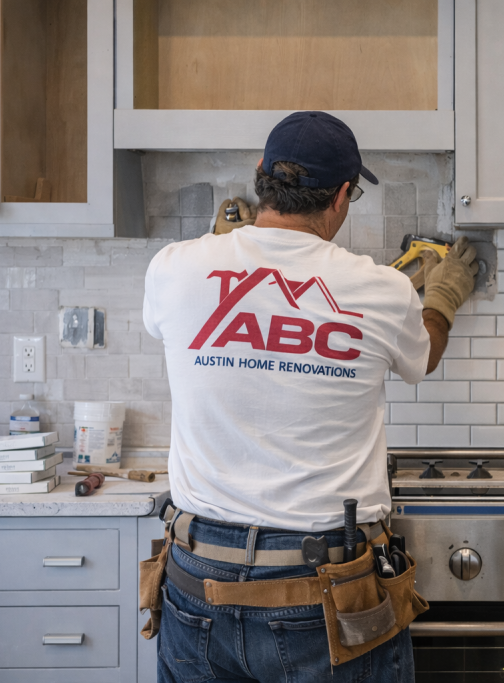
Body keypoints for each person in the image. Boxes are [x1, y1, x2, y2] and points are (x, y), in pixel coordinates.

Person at [143, 111, 478, 683]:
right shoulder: (383, 289)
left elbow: (203, 318)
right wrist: (442, 299)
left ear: (260, 174)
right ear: (343, 195)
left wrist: (228, 253)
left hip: (200, 580)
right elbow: (421, 359)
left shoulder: (175, 267)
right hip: (326, 591)